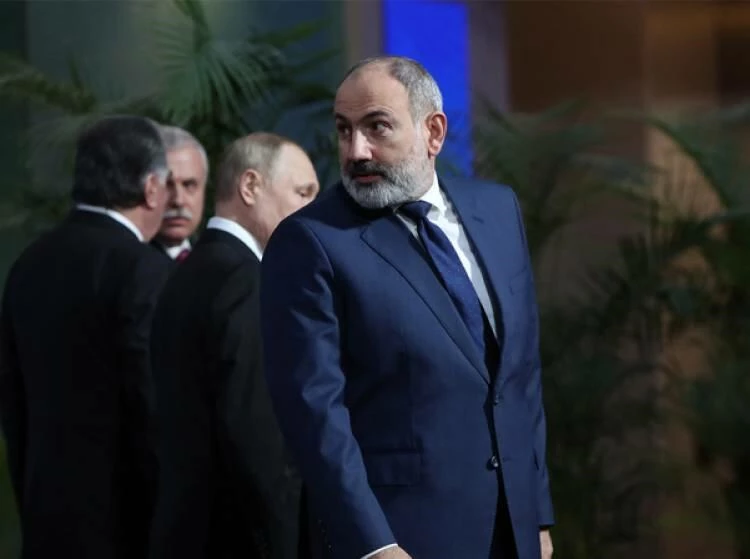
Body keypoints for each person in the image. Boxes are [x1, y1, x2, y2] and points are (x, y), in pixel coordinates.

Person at [260, 56, 555, 559]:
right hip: (400, 537)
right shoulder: (311, 240)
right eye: (344, 130)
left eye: (376, 127)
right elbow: (314, 414)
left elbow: (521, 376)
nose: (356, 151)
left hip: (512, 532)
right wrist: (374, 545)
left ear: (433, 132)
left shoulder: (498, 209)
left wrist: (538, 516)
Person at [0, 115, 172, 559]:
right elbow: (152, 404)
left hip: (46, 522)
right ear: (152, 188)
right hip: (126, 528)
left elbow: (14, 407)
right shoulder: (144, 270)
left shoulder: (28, 265)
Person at [149, 132, 320, 559]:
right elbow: (258, 439)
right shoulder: (247, 282)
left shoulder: (186, 274)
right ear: (250, 186)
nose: (312, 211)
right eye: (302, 193)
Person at [150, 126, 208, 263]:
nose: (178, 200)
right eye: (166, 185)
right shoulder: (128, 264)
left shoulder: (215, 259)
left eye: (189, 185)